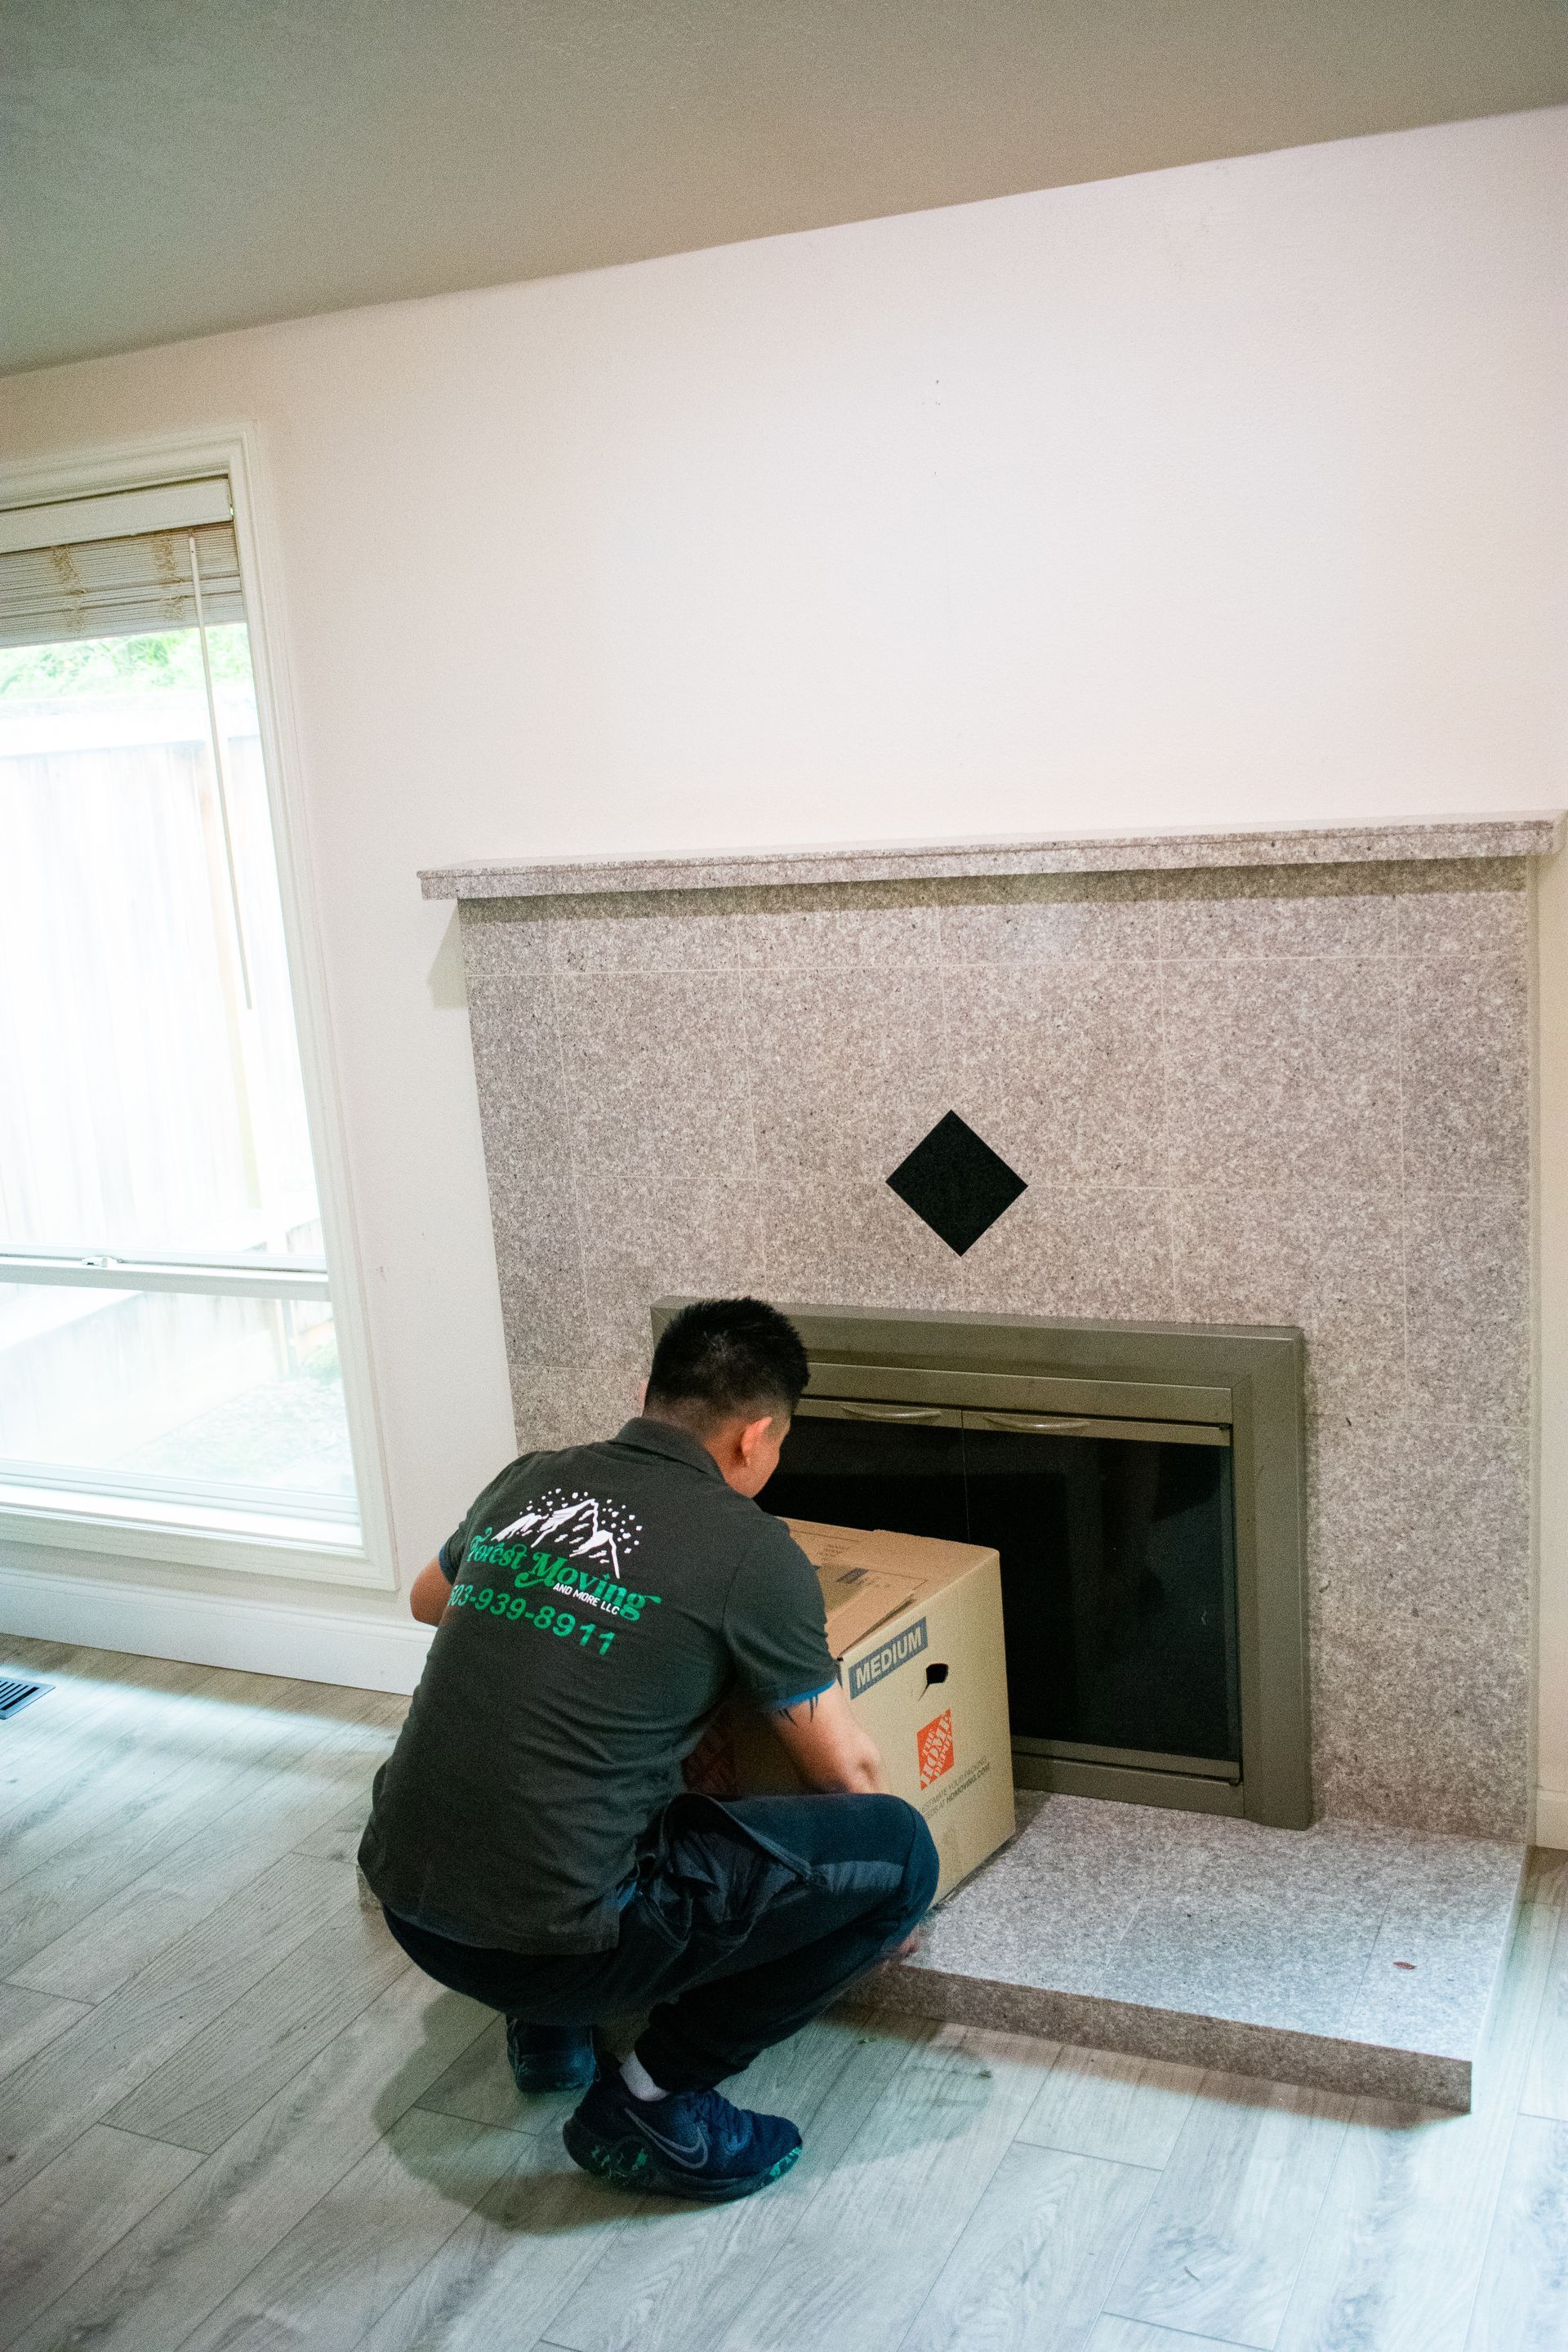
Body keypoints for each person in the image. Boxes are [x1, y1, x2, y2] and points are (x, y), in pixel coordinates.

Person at [359, 1296, 938, 2204]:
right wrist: (891, 1913)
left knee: (563, 1755)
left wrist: (579, 1615)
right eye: (780, 1444)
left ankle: (551, 2030)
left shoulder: (532, 1478)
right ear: (755, 1437)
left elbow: (430, 1602)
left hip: (407, 1896)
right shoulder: (751, 1550)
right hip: (549, 1946)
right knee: (900, 1855)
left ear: (645, 1393)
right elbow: (846, 1774)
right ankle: (651, 2099)